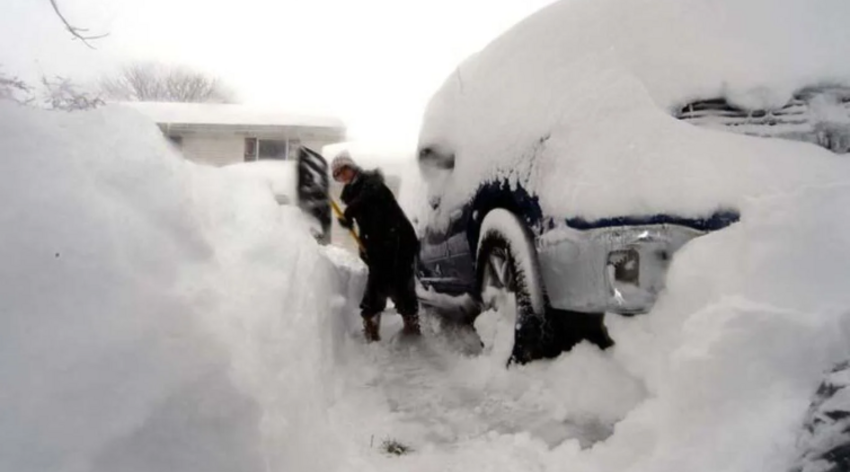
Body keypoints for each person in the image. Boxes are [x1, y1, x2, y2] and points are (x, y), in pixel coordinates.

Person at [331, 152, 421, 342]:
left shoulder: (371, 183)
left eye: (343, 170)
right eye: (337, 175)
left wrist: (351, 210)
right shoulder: (353, 193)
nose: (342, 176)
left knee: (400, 281)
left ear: (351, 167)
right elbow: (368, 224)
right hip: (379, 243)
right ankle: (372, 326)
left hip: (400, 239)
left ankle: (410, 323)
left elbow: (371, 197)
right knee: (379, 281)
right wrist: (360, 240)